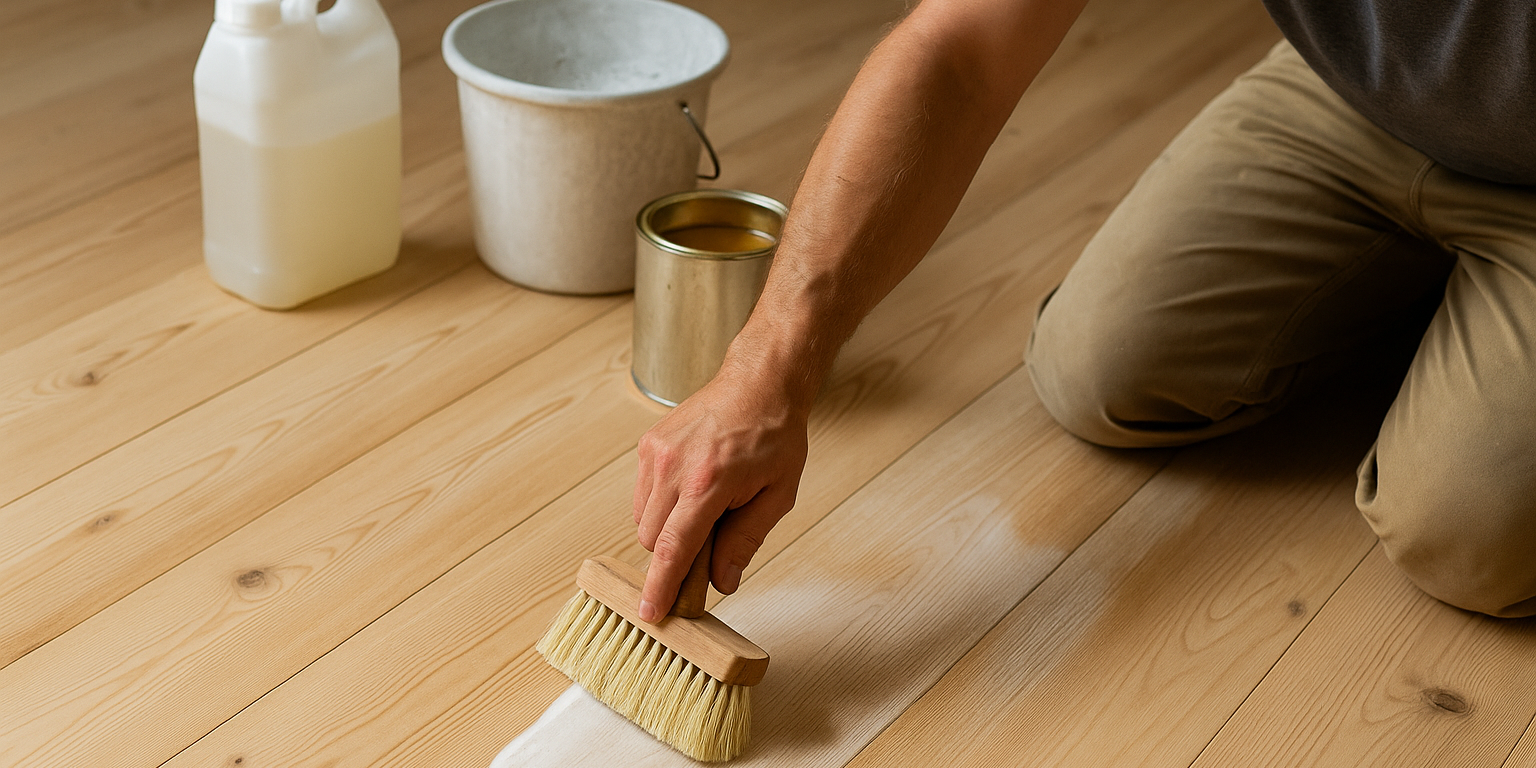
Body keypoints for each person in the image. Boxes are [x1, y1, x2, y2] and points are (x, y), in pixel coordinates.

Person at [630, 0, 1536, 623]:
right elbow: (963, 48)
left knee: (1462, 537)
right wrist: (766, 369)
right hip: (1361, 95)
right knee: (1100, 368)